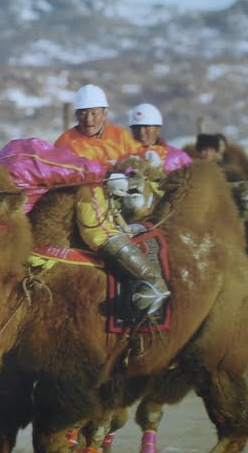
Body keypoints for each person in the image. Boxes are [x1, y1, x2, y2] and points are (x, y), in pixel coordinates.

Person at [55, 85, 169, 317]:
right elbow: (61, 173)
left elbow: (139, 157)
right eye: (83, 113)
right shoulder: (66, 142)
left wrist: (149, 159)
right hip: (89, 196)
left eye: (95, 113)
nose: (89, 119)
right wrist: (104, 177)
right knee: (93, 225)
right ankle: (150, 279)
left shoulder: (119, 136)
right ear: (76, 116)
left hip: (127, 198)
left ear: (105, 114)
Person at [128, 103, 192, 172]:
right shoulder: (124, 157)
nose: (141, 132)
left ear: (158, 129)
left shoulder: (178, 158)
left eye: (146, 127)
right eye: (136, 128)